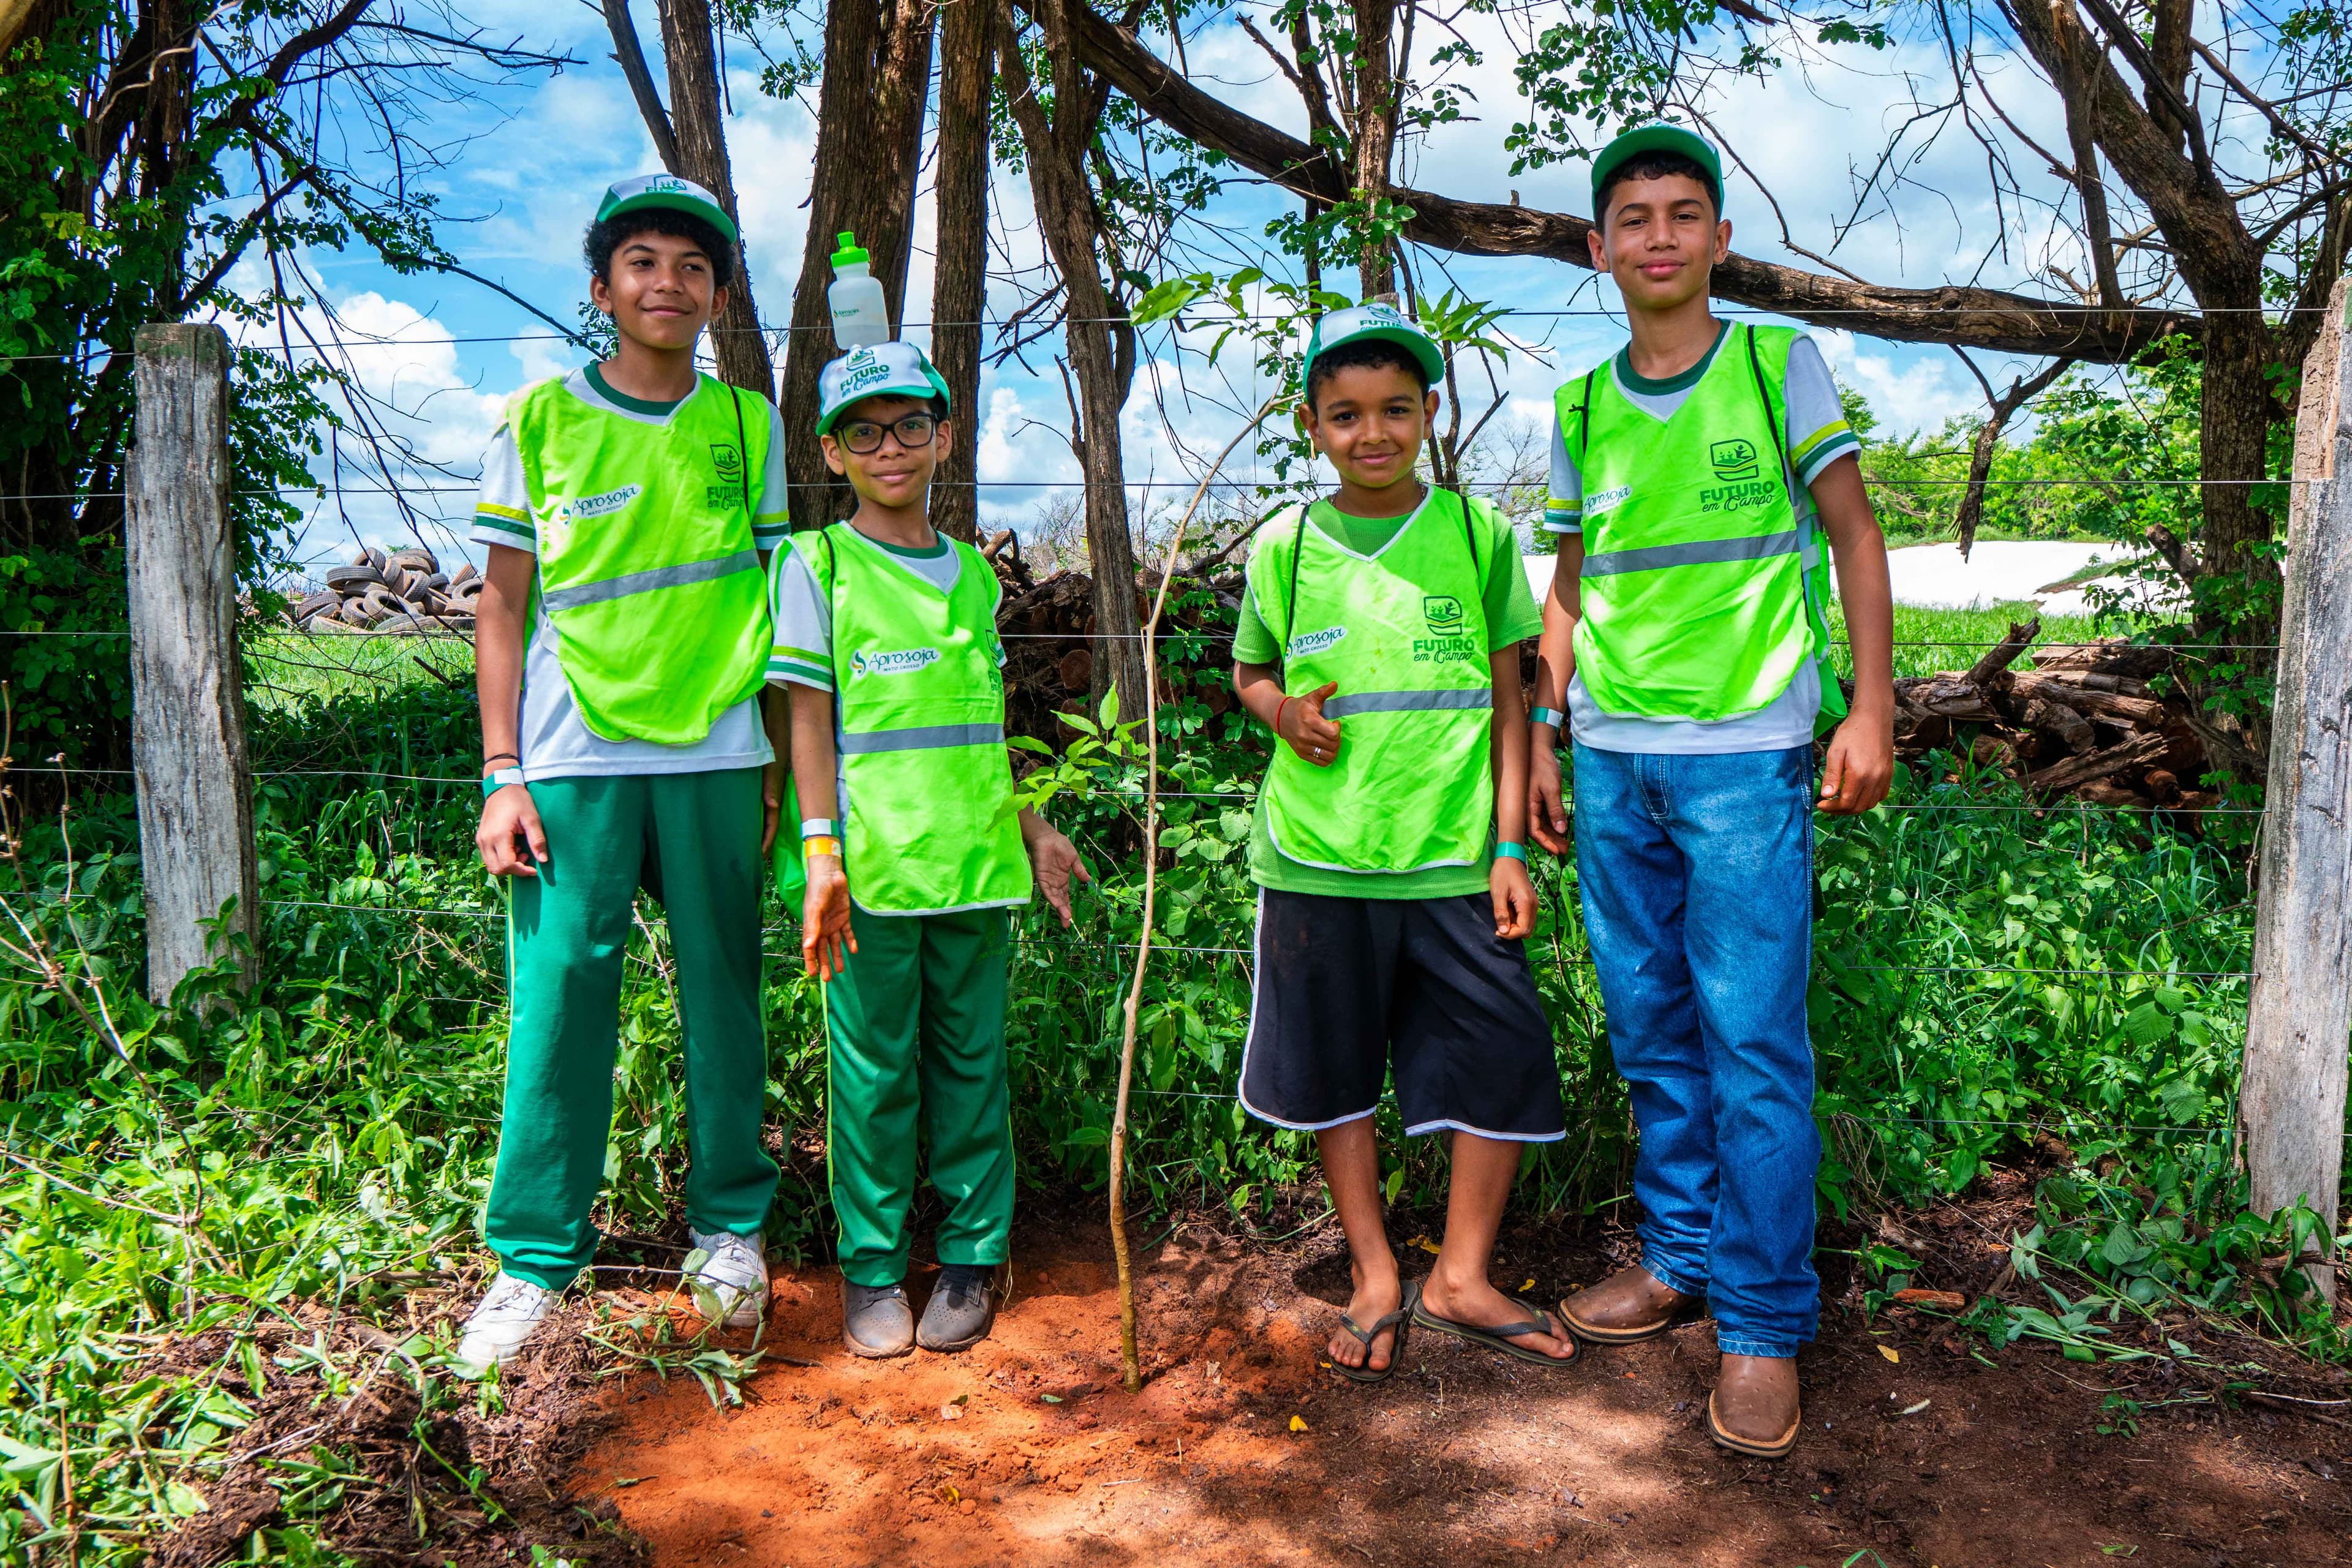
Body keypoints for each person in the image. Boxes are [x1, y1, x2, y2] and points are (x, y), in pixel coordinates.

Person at [1527, 125, 1897, 1460]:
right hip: (1616, 762)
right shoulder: (1577, 405)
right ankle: (1679, 1251)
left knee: (1753, 1040)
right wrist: (1542, 733)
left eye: (1687, 214)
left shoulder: (1774, 363)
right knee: (1650, 1024)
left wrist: (1870, 704)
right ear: (1600, 248)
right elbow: (1569, 588)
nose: (1662, 237)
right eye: (1636, 218)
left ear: (1722, 237)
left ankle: (1762, 1318)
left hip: (1749, 757)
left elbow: (1854, 534)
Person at [456, 174, 793, 1372]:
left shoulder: (750, 425)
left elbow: (769, 596)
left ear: (715, 295)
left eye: (693, 267)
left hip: (715, 743)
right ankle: (535, 1254)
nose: (668, 282)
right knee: (560, 994)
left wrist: (765, 758)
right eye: (642, 261)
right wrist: (502, 769)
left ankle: (732, 1227)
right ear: (602, 289)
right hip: (567, 747)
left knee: (723, 990)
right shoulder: (537, 417)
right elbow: (502, 607)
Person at [1232, 302, 1576, 1384]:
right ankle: (1376, 1272)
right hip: (1318, 860)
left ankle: (1462, 1276)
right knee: (1335, 1067)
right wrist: (1283, 712)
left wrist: (1509, 844)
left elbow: (1513, 701)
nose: (1370, 433)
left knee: (1506, 1052)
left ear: (1430, 413)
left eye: (1393, 410)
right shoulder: (1284, 547)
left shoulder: (1476, 536)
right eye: (1344, 415)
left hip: (1455, 858)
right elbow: (1249, 674)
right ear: (1310, 423)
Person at [769, 340, 1088, 1359]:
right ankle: (871, 1270)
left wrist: (1032, 824)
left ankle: (969, 1255)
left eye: (912, 424)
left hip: (975, 862)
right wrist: (822, 853)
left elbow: (975, 729)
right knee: (872, 1075)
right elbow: (809, 722)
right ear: (832, 453)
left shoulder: (971, 579)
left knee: (969, 1065)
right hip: (868, 871)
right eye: (865, 431)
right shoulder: (815, 563)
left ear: (945, 436)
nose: (891, 447)